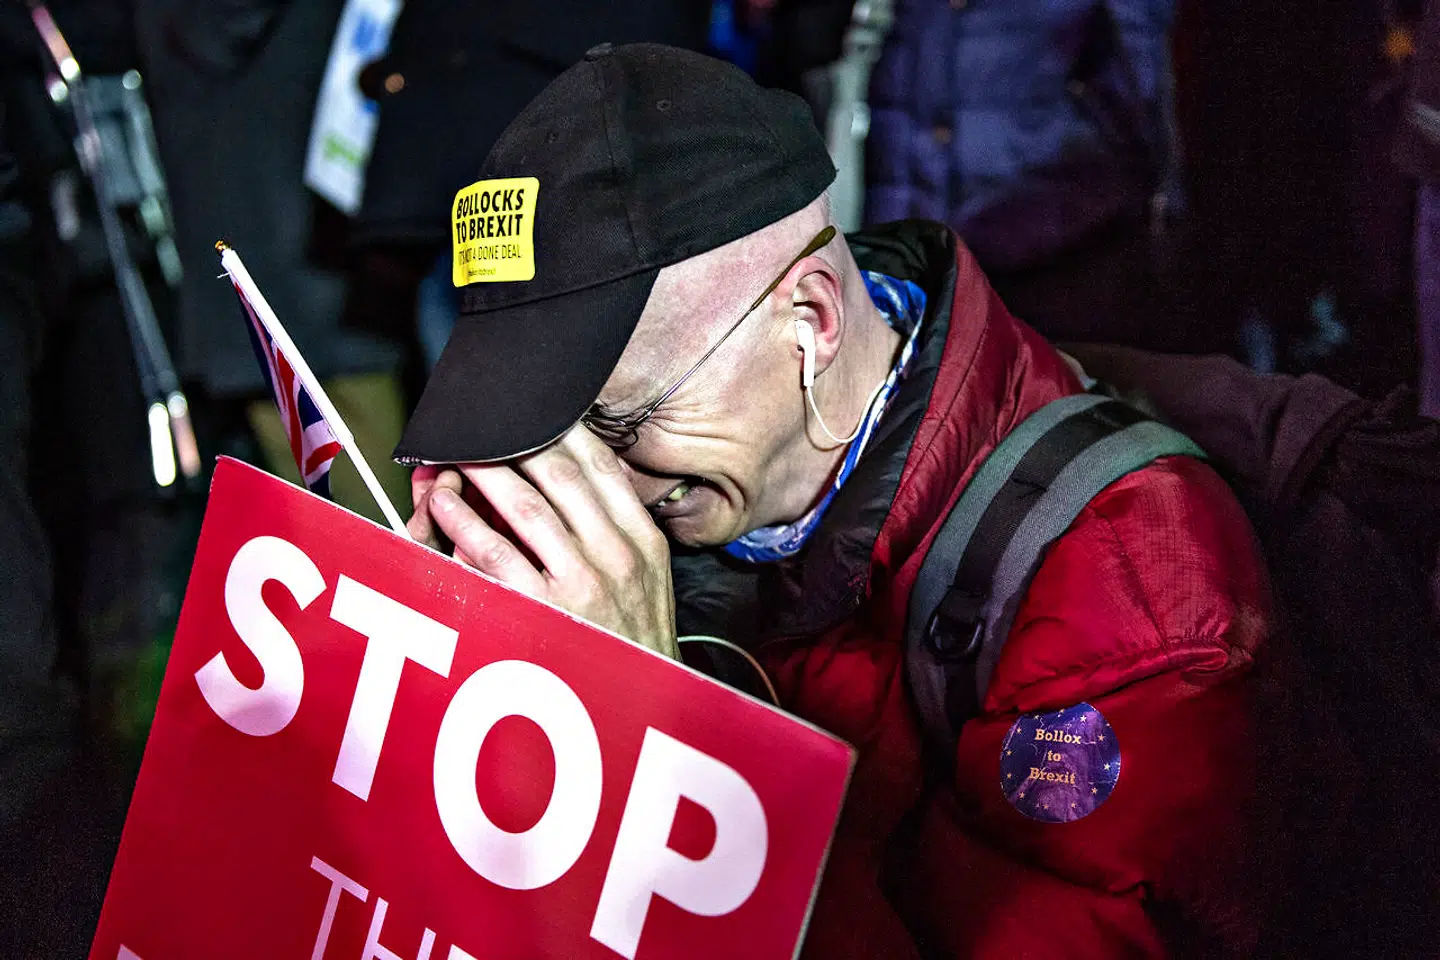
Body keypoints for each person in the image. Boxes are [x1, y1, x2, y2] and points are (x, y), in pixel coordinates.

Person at [398, 44, 1270, 957]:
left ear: (810, 323)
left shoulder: (1132, 603)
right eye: (544, 432)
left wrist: (657, 746)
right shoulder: (709, 484)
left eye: (617, 426)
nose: (593, 487)